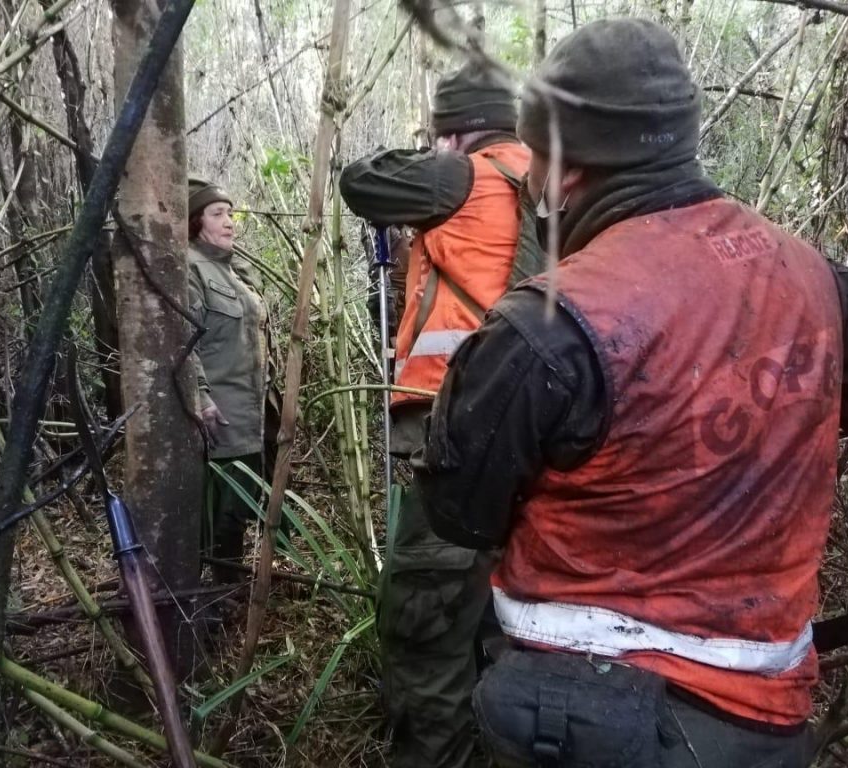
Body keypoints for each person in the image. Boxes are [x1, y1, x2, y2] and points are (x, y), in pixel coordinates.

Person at [413, 18, 848, 768]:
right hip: (762, 718)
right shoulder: (812, 277)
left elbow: (459, 513)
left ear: (562, 168)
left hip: (579, 721)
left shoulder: (546, 324)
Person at [340, 62, 535, 768]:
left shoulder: (465, 175)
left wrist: (436, 154)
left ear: (455, 129)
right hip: (541, 434)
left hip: (454, 426)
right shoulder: (552, 184)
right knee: (506, 607)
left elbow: (360, 180)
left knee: (426, 616)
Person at [187, 180, 273, 585]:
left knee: (237, 510)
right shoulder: (189, 267)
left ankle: (229, 591)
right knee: (216, 517)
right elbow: (184, 344)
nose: (230, 222)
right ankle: (212, 599)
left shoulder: (234, 269)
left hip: (249, 414)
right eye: (218, 214)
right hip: (217, 417)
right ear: (195, 221)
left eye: (231, 213)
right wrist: (201, 397)